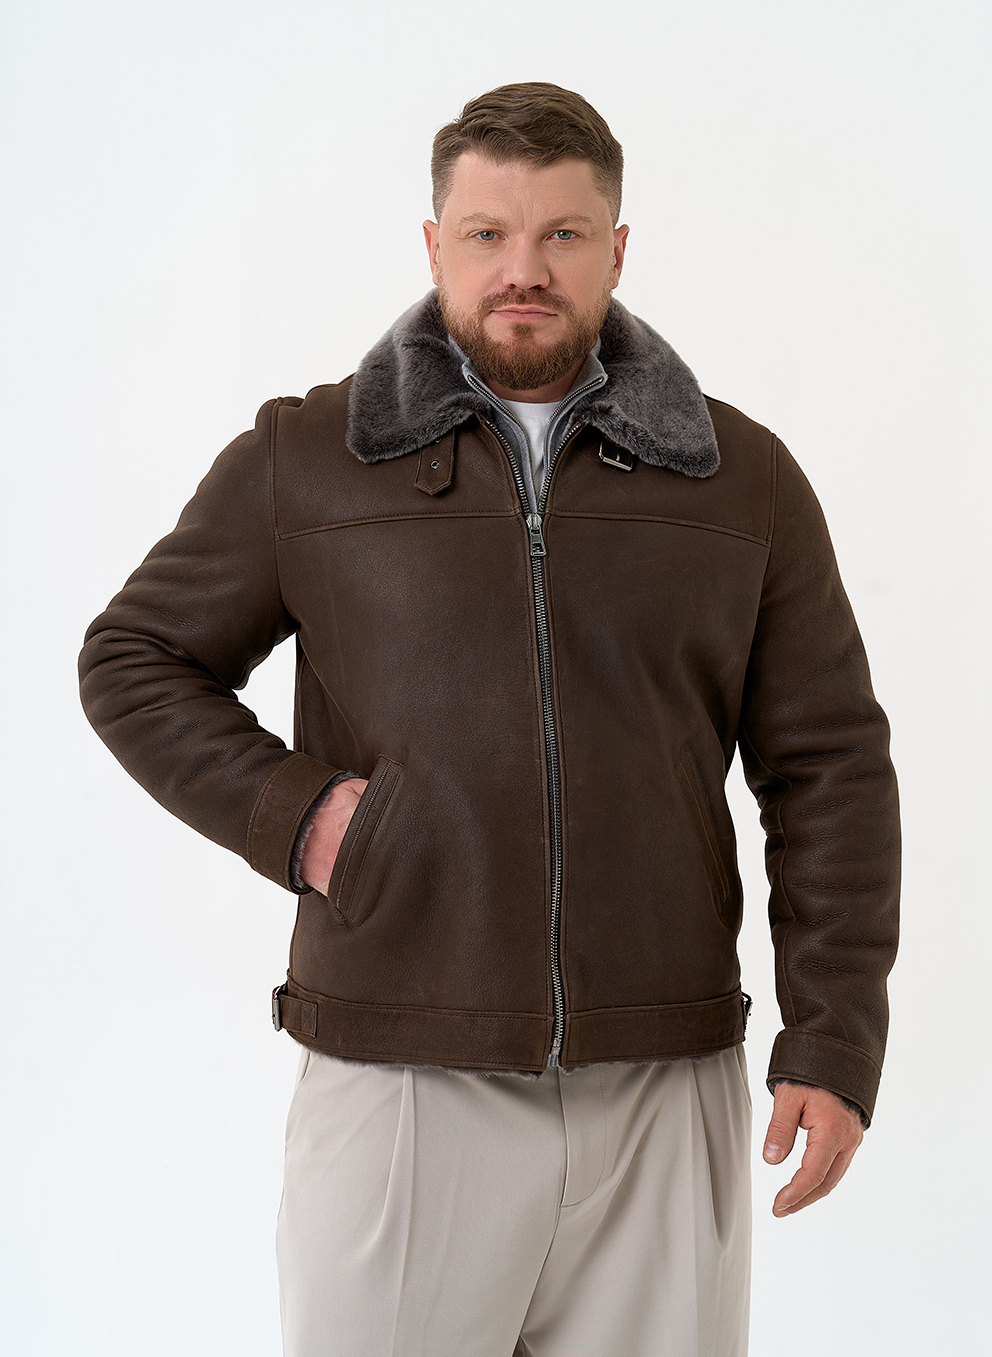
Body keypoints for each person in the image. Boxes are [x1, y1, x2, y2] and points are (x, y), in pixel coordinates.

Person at [79, 82, 900, 1357]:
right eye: (486, 233)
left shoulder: (739, 480)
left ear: (615, 248)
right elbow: (134, 658)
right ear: (433, 244)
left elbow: (828, 765)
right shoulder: (310, 457)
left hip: (661, 1084)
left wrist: (832, 1035)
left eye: (562, 234)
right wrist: (309, 820)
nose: (523, 268)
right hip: (400, 1079)